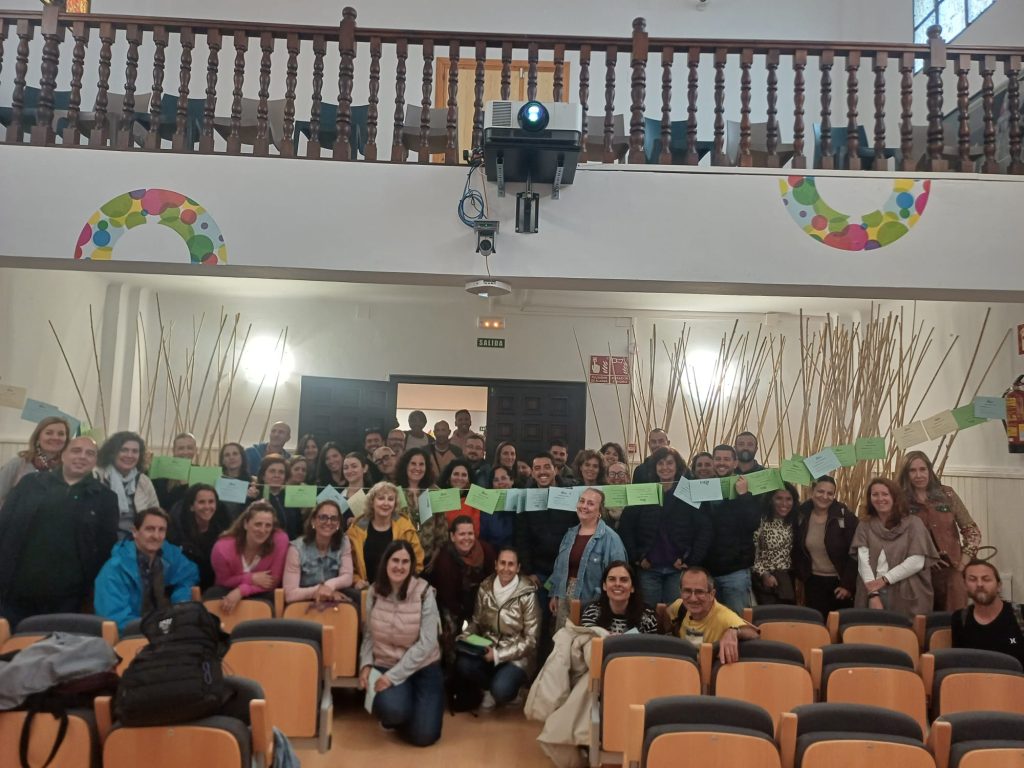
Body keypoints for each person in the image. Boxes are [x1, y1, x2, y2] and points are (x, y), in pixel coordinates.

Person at [0, 437, 118, 627]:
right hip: (16, 589)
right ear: (63, 455)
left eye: (90, 453)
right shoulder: (30, 484)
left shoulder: (106, 498)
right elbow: (4, 525)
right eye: (76, 450)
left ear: (95, 461)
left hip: (67, 596)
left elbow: (105, 547)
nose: (82, 456)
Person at [358, 540, 444, 747]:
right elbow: (369, 634)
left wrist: (393, 678)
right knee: (394, 711)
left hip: (423, 666)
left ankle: (415, 708)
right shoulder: (374, 592)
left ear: (411, 565)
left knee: (424, 736)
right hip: (386, 663)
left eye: (405, 562)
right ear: (386, 562)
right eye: (395, 560)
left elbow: (428, 643)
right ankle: (399, 711)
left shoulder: (424, 592)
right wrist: (366, 664)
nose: (399, 566)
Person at [619, 447, 711, 604]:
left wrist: (690, 559)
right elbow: (626, 527)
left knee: (675, 613)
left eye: (669, 463)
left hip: (678, 569)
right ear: (654, 467)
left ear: (677, 466)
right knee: (648, 613)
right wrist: (637, 557)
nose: (665, 467)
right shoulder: (644, 491)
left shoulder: (688, 492)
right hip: (648, 568)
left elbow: (704, 529)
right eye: (660, 463)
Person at [455, 546, 539, 710]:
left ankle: (510, 691)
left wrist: (498, 655)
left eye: (511, 564)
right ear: (495, 565)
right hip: (488, 648)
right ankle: (488, 689)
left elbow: (531, 640)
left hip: (516, 656)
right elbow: (476, 623)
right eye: (502, 563)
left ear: (518, 568)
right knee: (463, 664)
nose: (506, 568)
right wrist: (465, 636)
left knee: (502, 690)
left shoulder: (528, 594)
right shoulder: (485, 587)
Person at [897, 450, 982, 611]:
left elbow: (972, 531)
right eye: (912, 471)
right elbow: (895, 539)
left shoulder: (947, 494)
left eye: (923, 469)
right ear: (906, 474)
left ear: (929, 470)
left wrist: (963, 562)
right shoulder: (899, 501)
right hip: (917, 574)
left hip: (952, 572)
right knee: (921, 620)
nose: (919, 475)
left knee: (954, 619)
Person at [94, 507, 198, 631]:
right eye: (150, 529)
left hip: (165, 629)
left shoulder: (169, 554)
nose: (156, 536)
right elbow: (115, 619)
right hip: (133, 635)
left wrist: (180, 602)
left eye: (161, 530)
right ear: (135, 532)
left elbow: (189, 575)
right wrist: (159, 629)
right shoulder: (113, 570)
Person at [851, 477, 939, 618]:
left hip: (907, 594)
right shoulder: (865, 525)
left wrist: (885, 580)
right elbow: (863, 561)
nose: (880, 499)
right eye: (875, 494)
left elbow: (917, 561)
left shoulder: (914, 524)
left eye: (885, 494)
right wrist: (873, 592)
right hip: (873, 592)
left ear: (895, 497)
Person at [549, 488, 627, 629]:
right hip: (564, 598)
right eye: (582, 501)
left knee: (588, 640)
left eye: (590, 503)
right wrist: (555, 594)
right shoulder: (570, 534)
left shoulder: (611, 538)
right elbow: (559, 567)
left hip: (594, 603)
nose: (584, 506)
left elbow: (620, 576)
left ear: (599, 510)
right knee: (564, 639)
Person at [703, 446, 760, 615]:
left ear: (735, 463)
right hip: (708, 571)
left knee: (737, 621)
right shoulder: (703, 487)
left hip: (736, 572)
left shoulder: (746, 488)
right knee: (710, 621)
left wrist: (743, 495)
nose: (722, 463)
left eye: (726, 459)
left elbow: (753, 523)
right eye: (718, 459)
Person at [792, 476, 858, 619]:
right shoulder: (802, 515)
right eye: (820, 491)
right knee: (817, 624)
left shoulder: (844, 517)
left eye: (830, 493)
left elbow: (856, 553)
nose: (825, 497)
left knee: (839, 625)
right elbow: (796, 547)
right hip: (813, 582)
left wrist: (848, 585)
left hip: (839, 583)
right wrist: (801, 573)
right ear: (812, 491)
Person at [428, 515, 496, 655]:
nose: (467, 538)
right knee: (451, 636)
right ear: (452, 537)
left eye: (470, 533)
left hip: (482, 605)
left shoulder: (486, 550)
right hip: (454, 607)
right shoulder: (444, 560)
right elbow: (448, 599)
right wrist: (467, 622)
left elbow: (493, 582)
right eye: (462, 534)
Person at [209, 500, 290, 612]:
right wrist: (251, 578)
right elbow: (223, 581)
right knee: (213, 593)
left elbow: (272, 582)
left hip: (262, 593)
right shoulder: (222, 548)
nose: (262, 530)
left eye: (268, 525)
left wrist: (242, 591)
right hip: (228, 590)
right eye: (258, 524)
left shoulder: (280, 540)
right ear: (246, 524)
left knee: (273, 597)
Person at [667, 567, 759, 663]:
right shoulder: (678, 606)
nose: (693, 598)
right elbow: (667, 617)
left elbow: (754, 633)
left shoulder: (724, 616)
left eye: (700, 592)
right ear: (680, 592)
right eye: (687, 591)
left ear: (712, 594)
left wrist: (734, 631)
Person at [348, 481, 425, 588]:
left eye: (390, 499)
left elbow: (417, 561)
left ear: (395, 504)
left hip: (399, 590)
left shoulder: (405, 527)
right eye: (381, 498)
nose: (386, 503)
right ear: (372, 502)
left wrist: (403, 583)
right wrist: (356, 581)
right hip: (365, 591)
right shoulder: (356, 529)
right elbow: (348, 564)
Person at [951, 559, 1024, 666]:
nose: (979, 584)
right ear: (965, 586)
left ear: (999, 586)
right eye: (972, 579)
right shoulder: (959, 619)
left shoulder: (1020, 614)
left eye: (986, 579)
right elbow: (958, 664)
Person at [283, 499, 355, 604]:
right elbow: (290, 594)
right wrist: (319, 591)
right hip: (303, 602)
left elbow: (347, 577)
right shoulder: (296, 549)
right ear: (313, 521)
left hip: (334, 598)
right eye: (323, 517)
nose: (328, 522)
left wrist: (328, 587)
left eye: (334, 518)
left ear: (338, 524)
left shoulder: (344, 542)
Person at [95, 431, 160, 540]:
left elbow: (156, 517)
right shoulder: (97, 477)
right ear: (112, 452)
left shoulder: (144, 482)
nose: (129, 455)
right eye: (124, 450)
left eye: (135, 451)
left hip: (135, 542)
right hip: (101, 540)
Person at [167, 482, 232, 590]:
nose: (207, 507)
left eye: (211, 502)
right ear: (191, 506)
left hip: (215, 586)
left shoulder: (224, 531)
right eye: (202, 502)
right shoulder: (177, 533)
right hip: (185, 585)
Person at [0, 416, 70, 505]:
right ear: (38, 437)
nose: (56, 437)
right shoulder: (19, 464)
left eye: (61, 434)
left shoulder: (69, 468)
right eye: (49, 433)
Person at [580, 561, 660, 634]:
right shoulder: (592, 613)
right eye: (612, 579)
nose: (617, 584)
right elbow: (588, 642)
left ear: (632, 587)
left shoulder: (648, 617)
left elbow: (650, 644)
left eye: (624, 580)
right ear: (604, 586)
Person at [751, 483, 799, 606]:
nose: (784, 503)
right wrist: (764, 574)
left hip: (787, 579)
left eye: (788, 499)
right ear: (771, 500)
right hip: (765, 579)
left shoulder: (795, 521)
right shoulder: (761, 521)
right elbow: (751, 551)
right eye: (779, 498)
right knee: (769, 615)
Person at [249, 454, 303, 539]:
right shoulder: (254, 497)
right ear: (263, 476)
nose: (277, 475)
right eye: (272, 471)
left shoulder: (290, 496)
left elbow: (299, 527)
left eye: (281, 472)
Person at [151, 432, 197, 511]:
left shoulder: (200, 472)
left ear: (195, 450)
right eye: (181, 448)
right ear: (173, 450)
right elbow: (160, 503)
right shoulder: (162, 472)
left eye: (189, 448)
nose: (185, 452)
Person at [479, 465, 518, 552]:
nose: (500, 482)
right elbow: (483, 538)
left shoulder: (521, 502)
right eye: (496, 480)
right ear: (492, 484)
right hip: (493, 554)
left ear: (512, 480)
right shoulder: (486, 508)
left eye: (503, 478)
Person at [394, 448, 436, 519]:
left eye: (421, 464)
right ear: (405, 466)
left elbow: (441, 521)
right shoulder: (394, 491)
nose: (417, 468)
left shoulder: (434, 490)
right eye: (413, 464)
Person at [218, 441, 251, 519]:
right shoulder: (217, 481)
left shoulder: (253, 483)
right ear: (222, 461)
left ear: (242, 457)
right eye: (227, 455)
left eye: (235, 454)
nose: (231, 457)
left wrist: (250, 498)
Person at [338, 452, 372, 521]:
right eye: (345, 468)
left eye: (354, 466)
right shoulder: (338, 493)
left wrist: (359, 522)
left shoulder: (372, 494)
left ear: (365, 468)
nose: (349, 471)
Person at [602, 461, 630, 529]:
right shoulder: (601, 499)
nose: (616, 477)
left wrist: (622, 517)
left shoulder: (636, 499)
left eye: (621, 474)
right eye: (612, 474)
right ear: (607, 478)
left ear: (627, 477)